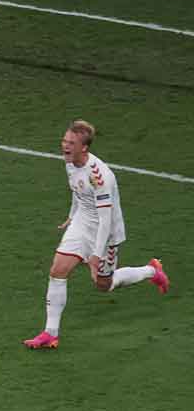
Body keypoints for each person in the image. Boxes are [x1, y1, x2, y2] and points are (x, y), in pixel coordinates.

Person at [23, 120, 169, 349]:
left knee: (103, 285)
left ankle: (152, 271)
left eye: (71, 143)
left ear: (84, 147)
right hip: (83, 222)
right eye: (64, 140)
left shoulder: (99, 175)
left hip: (107, 232)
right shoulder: (70, 162)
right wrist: (72, 215)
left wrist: (96, 254)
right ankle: (50, 334)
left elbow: (105, 219)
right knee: (57, 270)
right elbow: (77, 190)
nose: (65, 146)